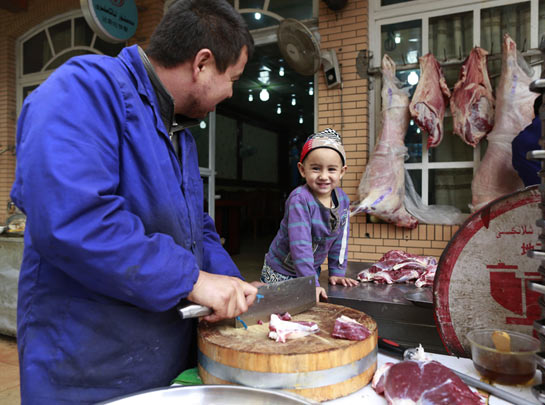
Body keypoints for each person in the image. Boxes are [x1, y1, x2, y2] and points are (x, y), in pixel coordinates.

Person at [10, 1, 259, 403]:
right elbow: (75, 221)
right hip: (88, 366)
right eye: (233, 78)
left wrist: (234, 285)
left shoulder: (179, 131)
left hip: (160, 359)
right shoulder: (84, 90)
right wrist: (192, 280)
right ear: (202, 63)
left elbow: (197, 228)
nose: (231, 92)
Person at [261, 128, 359, 301]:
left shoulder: (343, 201)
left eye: (331, 169)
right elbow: (300, 246)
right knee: (280, 315)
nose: (323, 176)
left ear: (342, 172)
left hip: (309, 272)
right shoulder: (299, 199)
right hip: (281, 271)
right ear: (302, 169)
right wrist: (311, 283)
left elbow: (340, 240)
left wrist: (337, 271)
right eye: (315, 168)